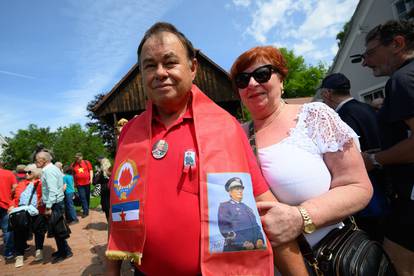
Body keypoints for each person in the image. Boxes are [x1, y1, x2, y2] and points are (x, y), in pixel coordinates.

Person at [105, 22, 307, 276]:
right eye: (149, 65)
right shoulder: (129, 134)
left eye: (169, 63)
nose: (159, 73)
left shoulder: (225, 127)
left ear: (193, 68)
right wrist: (111, 271)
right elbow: (120, 208)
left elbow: (264, 207)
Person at [230, 46, 372, 256]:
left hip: (330, 256)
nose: (252, 83)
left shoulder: (314, 116)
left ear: (281, 79)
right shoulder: (234, 135)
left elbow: (358, 186)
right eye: (242, 80)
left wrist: (301, 217)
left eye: (262, 74)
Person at [360, 20, 414, 275]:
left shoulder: (402, 80)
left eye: (370, 53)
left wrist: (375, 160)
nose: (365, 62)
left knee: (396, 261)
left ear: (397, 44)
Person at [320, 72, 389, 241]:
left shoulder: (341, 117)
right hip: (384, 176)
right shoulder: (366, 107)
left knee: (373, 239)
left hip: (367, 190)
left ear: (327, 93)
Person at [35, 151, 73, 263]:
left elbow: (52, 190)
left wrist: (48, 207)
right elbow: (56, 186)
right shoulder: (51, 169)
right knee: (57, 229)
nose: (36, 161)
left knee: (58, 230)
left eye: (37, 159)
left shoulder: (49, 171)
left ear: (44, 160)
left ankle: (65, 252)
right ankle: (63, 250)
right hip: (56, 202)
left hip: (55, 204)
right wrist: (44, 199)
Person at [9, 164, 46, 267]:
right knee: (19, 234)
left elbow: (46, 195)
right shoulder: (21, 184)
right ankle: (19, 256)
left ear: (35, 173)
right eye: (25, 172)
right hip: (22, 212)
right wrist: (11, 206)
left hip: (37, 211)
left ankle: (39, 250)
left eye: (29, 172)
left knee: (39, 231)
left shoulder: (41, 183)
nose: (26, 174)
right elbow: (13, 198)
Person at [218, 177, 264, 252]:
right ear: (230, 192)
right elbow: (225, 230)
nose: (240, 191)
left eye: (241, 189)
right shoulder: (225, 207)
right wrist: (242, 243)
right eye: (236, 189)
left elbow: (256, 226)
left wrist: (260, 239)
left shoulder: (247, 208)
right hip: (234, 250)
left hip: (254, 250)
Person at [0, 166, 17, 260]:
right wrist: (9, 194)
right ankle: (8, 252)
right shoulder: (9, 173)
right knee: (7, 229)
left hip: (5, 204)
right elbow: (15, 187)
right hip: (6, 204)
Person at [71, 152, 93, 218]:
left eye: (78, 158)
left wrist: (91, 179)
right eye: (76, 158)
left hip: (87, 182)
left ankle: (86, 208)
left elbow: (91, 170)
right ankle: (85, 211)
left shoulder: (86, 162)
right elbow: (73, 174)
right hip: (79, 184)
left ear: (81, 157)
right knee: (82, 197)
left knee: (87, 196)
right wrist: (74, 182)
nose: (77, 159)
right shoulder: (73, 164)